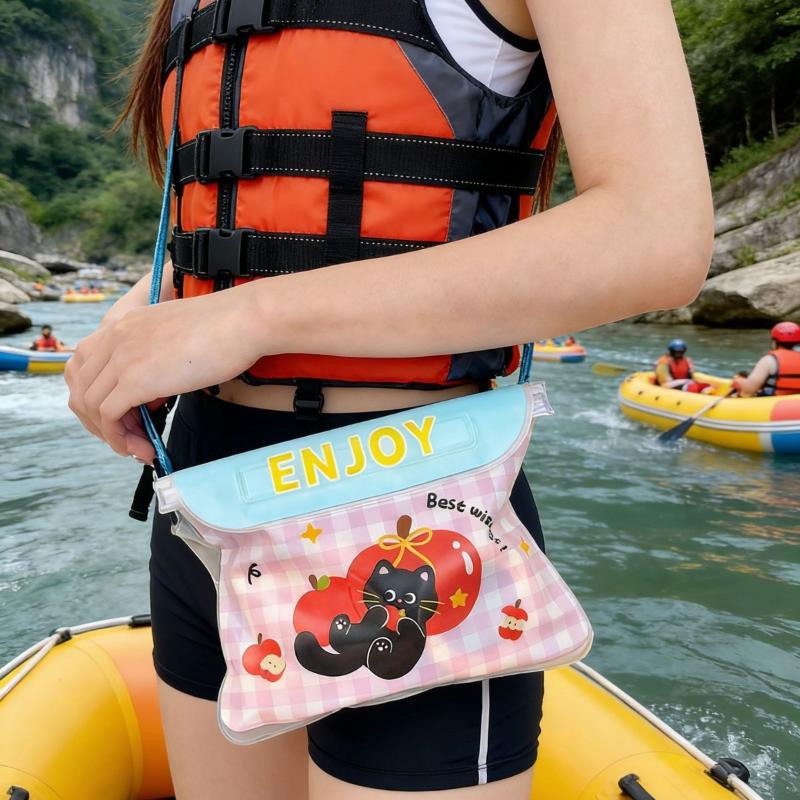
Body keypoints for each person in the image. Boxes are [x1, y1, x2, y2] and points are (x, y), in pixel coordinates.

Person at [64, 1, 713, 798]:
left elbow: (656, 236)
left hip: (414, 514)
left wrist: (253, 316)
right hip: (203, 496)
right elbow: (260, 206)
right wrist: (144, 310)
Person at [732, 322, 800, 397]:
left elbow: (750, 389)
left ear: (774, 342)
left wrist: (738, 380)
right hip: (795, 400)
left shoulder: (769, 360)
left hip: (772, 401)